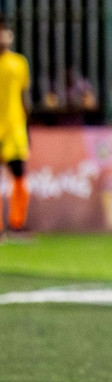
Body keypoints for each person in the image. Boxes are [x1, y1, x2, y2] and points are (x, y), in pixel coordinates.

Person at [0, 19, 31, 234]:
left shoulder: (19, 62)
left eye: (6, 34)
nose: (4, 38)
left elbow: (24, 94)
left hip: (15, 126)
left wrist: (26, 126)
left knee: (19, 174)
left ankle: (17, 223)